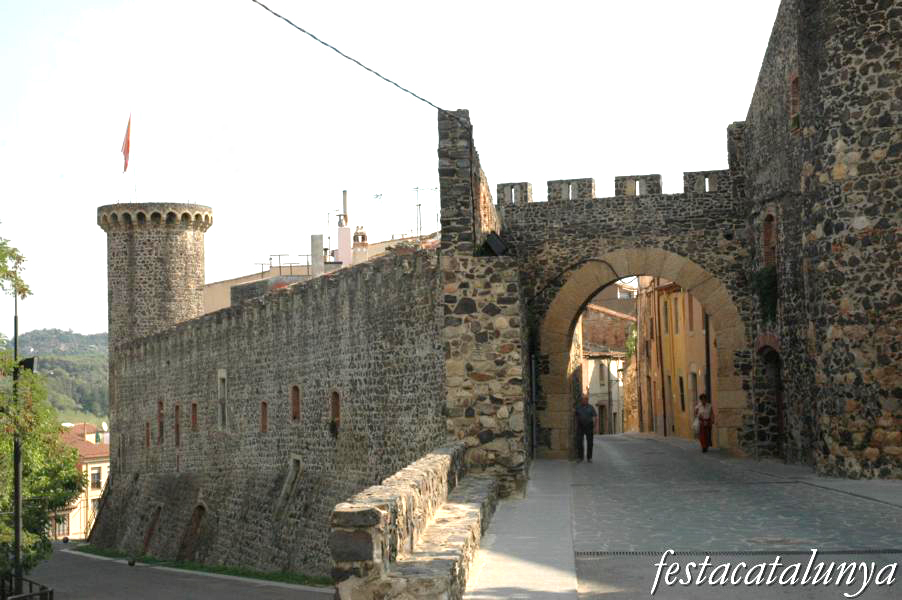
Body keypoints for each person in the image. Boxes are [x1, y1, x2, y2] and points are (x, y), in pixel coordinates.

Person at [574, 396, 598, 463]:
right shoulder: (578, 407)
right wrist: (575, 426)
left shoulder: (591, 407)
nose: (583, 401)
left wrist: (595, 427)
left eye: (585, 400)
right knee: (579, 442)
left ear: (587, 400)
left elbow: (595, 417)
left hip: (589, 426)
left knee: (590, 442)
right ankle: (580, 457)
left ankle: (589, 458)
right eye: (582, 400)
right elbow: (575, 416)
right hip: (580, 426)